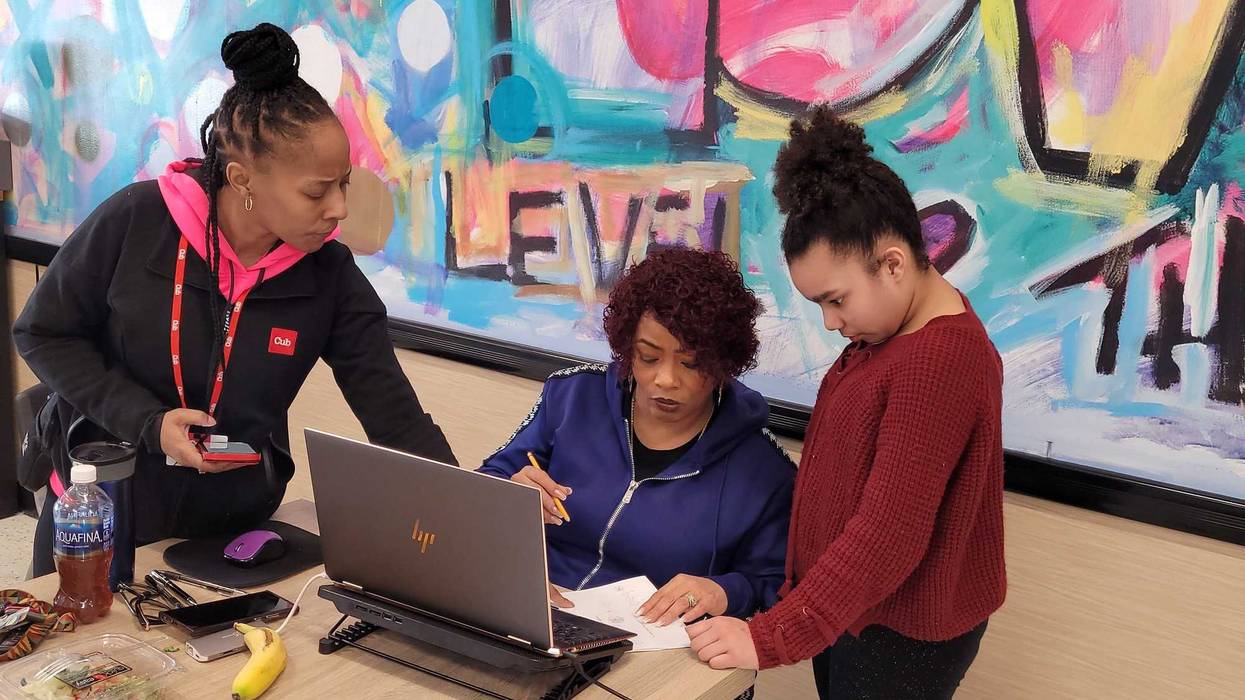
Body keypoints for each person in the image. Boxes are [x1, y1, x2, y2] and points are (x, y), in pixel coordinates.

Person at [14, 23, 457, 575]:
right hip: (101, 516)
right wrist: (148, 422)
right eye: (318, 191)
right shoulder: (136, 221)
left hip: (233, 537)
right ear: (243, 179)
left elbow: (397, 421)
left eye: (344, 183)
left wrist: (473, 521)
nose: (339, 207)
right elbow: (42, 332)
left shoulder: (329, 276)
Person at [687, 106, 1006, 698]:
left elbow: (888, 534)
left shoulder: (938, 361)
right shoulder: (891, 332)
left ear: (892, 263)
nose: (831, 324)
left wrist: (769, 637)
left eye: (836, 300)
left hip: (896, 632)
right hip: (856, 612)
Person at [479, 248, 795, 624]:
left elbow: (773, 585)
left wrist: (722, 591)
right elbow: (481, 487)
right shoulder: (573, 396)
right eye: (648, 357)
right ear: (628, 346)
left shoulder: (763, 470)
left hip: (655, 645)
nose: (665, 379)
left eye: (691, 363)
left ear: (724, 363)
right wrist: (508, 496)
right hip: (537, 609)